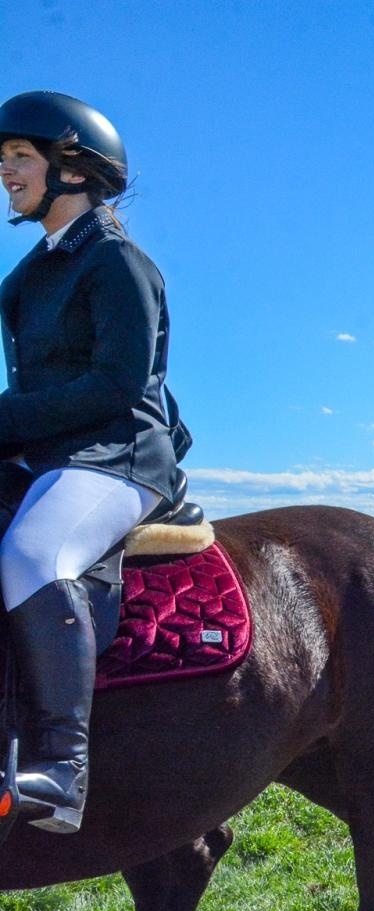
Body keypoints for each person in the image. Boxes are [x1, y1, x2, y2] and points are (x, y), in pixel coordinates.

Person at [0, 92, 191, 833]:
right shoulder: (39, 267)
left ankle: (63, 770)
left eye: (20, 158)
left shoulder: (117, 262)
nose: (7, 173)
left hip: (118, 455)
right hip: (50, 451)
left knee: (33, 554)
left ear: (71, 170)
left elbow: (115, 385)